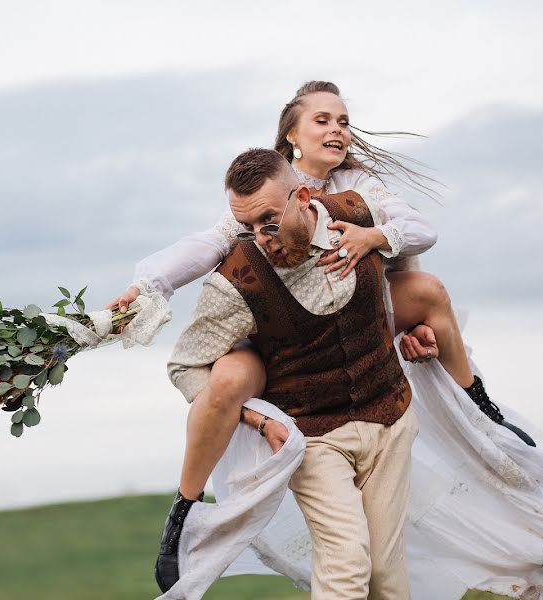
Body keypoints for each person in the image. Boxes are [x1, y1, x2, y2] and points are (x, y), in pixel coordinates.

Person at [168, 148, 419, 598]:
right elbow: (184, 366)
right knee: (346, 564)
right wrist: (258, 420)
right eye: (246, 228)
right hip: (315, 434)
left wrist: (417, 330)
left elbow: (406, 263)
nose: (260, 238)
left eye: (268, 220)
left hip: (392, 416)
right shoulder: (236, 281)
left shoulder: (360, 213)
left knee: (385, 574)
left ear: (302, 197)